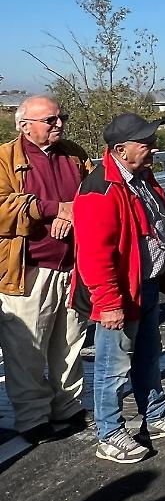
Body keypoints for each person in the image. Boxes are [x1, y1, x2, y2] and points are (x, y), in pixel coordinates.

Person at [73, 113, 165, 463]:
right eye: (146, 143)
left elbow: (149, 215)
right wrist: (109, 303)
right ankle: (109, 432)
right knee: (112, 367)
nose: (154, 147)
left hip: (145, 284)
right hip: (120, 293)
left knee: (148, 354)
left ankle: (156, 414)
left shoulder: (140, 176)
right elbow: (95, 255)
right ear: (120, 149)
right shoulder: (100, 190)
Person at [0, 96, 92, 443]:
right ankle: (32, 417)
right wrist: (52, 209)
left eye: (61, 117)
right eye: (50, 120)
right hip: (28, 268)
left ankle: (68, 406)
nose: (59, 124)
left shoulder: (74, 154)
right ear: (25, 126)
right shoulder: (5, 159)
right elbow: (2, 207)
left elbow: (95, 193)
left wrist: (72, 212)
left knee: (70, 342)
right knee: (27, 348)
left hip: (74, 264)